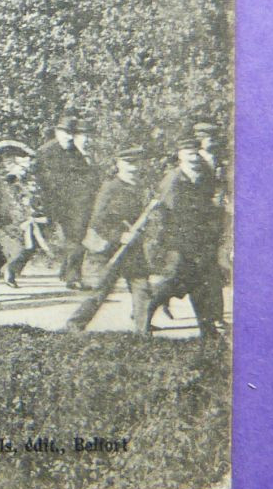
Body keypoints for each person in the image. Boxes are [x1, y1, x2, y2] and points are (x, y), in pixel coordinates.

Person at [143, 137, 226, 337]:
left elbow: (206, 206)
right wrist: (164, 244)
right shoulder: (174, 179)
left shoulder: (202, 176)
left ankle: (208, 330)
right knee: (171, 283)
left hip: (197, 240)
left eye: (196, 152)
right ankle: (142, 319)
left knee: (200, 284)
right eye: (189, 153)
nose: (193, 156)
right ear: (180, 155)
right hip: (177, 243)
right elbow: (164, 214)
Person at [81, 145, 154, 328]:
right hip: (109, 248)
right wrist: (119, 236)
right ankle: (75, 324)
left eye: (136, 163)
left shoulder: (139, 187)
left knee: (142, 287)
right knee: (101, 291)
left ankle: (143, 332)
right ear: (118, 164)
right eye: (129, 163)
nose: (134, 168)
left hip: (132, 248)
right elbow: (98, 221)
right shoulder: (110, 188)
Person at [36, 114, 97, 289]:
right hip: (58, 203)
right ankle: (72, 277)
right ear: (56, 131)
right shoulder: (47, 152)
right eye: (64, 132)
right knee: (75, 239)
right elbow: (44, 180)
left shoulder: (75, 150)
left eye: (72, 133)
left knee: (75, 238)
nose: (68, 137)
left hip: (76, 203)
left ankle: (69, 273)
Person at [0, 142, 47, 287]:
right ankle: (9, 271)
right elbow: (7, 205)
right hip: (9, 222)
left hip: (27, 220)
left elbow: (33, 198)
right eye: (22, 166)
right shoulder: (4, 183)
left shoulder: (25, 181)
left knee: (31, 247)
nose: (26, 169)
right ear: (11, 165)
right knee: (20, 248)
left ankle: (10, 269)